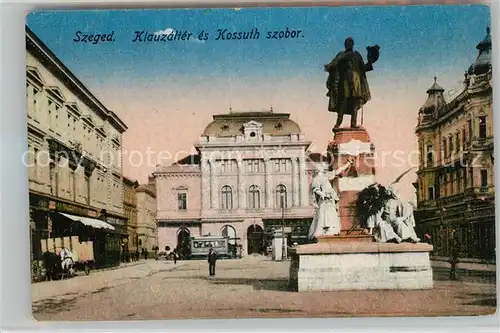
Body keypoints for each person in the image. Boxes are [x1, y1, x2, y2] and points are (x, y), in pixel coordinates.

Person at [325, 37, 375, 128]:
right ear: (345, 45)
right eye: (348, 43)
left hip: (356, 83)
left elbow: (363, 68)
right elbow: (334, 64)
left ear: (353, 44)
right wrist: (329, 66)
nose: (349, 44)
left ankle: (353, 124)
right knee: (342, 102)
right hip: (344, 82)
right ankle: (338, 123)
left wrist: (370, 62)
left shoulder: (357, 55)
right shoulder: (341, 55)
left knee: (355, 104)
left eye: (351, 43)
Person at [308, 159, 354, 240]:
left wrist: (347, 164)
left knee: (330, 213)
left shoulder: (325, 176)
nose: (323, 167)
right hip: (324, 199)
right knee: (324, 214)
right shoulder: (317, 179)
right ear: (318, 169)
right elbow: (316, 190)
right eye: (321, 166)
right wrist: (323, 195)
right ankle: (324, 229)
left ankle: (330, 229)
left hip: (330, 197)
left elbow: (337, 172)